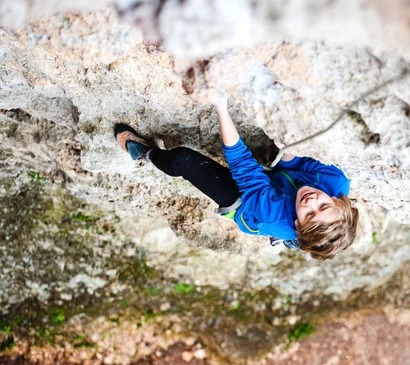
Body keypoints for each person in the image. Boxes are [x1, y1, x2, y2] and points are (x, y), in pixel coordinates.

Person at [114, 94, 359, 260]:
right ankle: (294, 232)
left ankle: (148, 153)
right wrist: (289, 153)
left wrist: (220, 105)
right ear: (337, 200)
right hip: (282, 185)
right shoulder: (336, 182)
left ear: (297, 225)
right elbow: (298, 163)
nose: (311, 202)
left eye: (308, 215)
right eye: (323, 205)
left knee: (182, 160)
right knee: (283, 165)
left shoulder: (271, 214)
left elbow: (241, 163)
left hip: (246, 206)